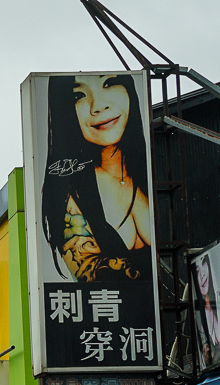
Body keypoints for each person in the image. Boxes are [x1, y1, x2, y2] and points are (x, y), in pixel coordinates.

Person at [42, 73, 152, 283]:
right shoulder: (70, 189)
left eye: (109, 83)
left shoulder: (158, 166)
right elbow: (86, 269)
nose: (98, 106)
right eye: (79, 96)